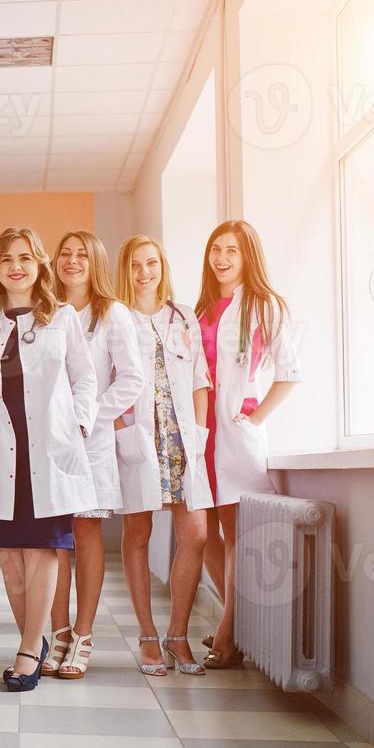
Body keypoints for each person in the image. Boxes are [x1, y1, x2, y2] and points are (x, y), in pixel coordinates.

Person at [0, 228, 97, 692]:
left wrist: (78, 423)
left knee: (42, 549)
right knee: (13, 555)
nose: (16, 266)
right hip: (3, 451)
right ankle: (36, 640)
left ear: (39, 265)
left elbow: (84, 378)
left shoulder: (62, 317)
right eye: (6, 259)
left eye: (25, 257)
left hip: (49, 448)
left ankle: (26, 650)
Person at [195, 220, 301, 669]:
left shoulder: (266, 305)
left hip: (237, 432)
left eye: (231, 251)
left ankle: (228, 632)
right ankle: (234, 621)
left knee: (236, 534)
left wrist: (255, 416)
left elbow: (288, 373)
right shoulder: (201, 309)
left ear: (247, 257)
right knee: (205, 535)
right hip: (202, 431)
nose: (221, 258)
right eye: (215, 249)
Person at [114, 235, 213, 676]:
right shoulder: (115, 317)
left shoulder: (183, 316)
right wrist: (122, 433)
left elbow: (199, 380)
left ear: (162, 266)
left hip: (181, 439)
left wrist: (200, 436)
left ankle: (177, 634)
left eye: (151, 263)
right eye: (135, 265)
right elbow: (106, 380)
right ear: (126, 270)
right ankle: (148, 634)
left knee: (195, 533)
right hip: (140, 438)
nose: (144, 273)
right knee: (137, 533)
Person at [47, 230, 144, 680]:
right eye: (65, 253)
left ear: (96, 262)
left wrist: (86, 417)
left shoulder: (113, 314)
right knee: (52, 543)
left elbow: (131, 380)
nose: (72, 261)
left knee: (84, 536)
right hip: (48, 442)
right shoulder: (46, 310)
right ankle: (58, 632)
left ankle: (83, 636)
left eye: (81, 254)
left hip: (92, 440)